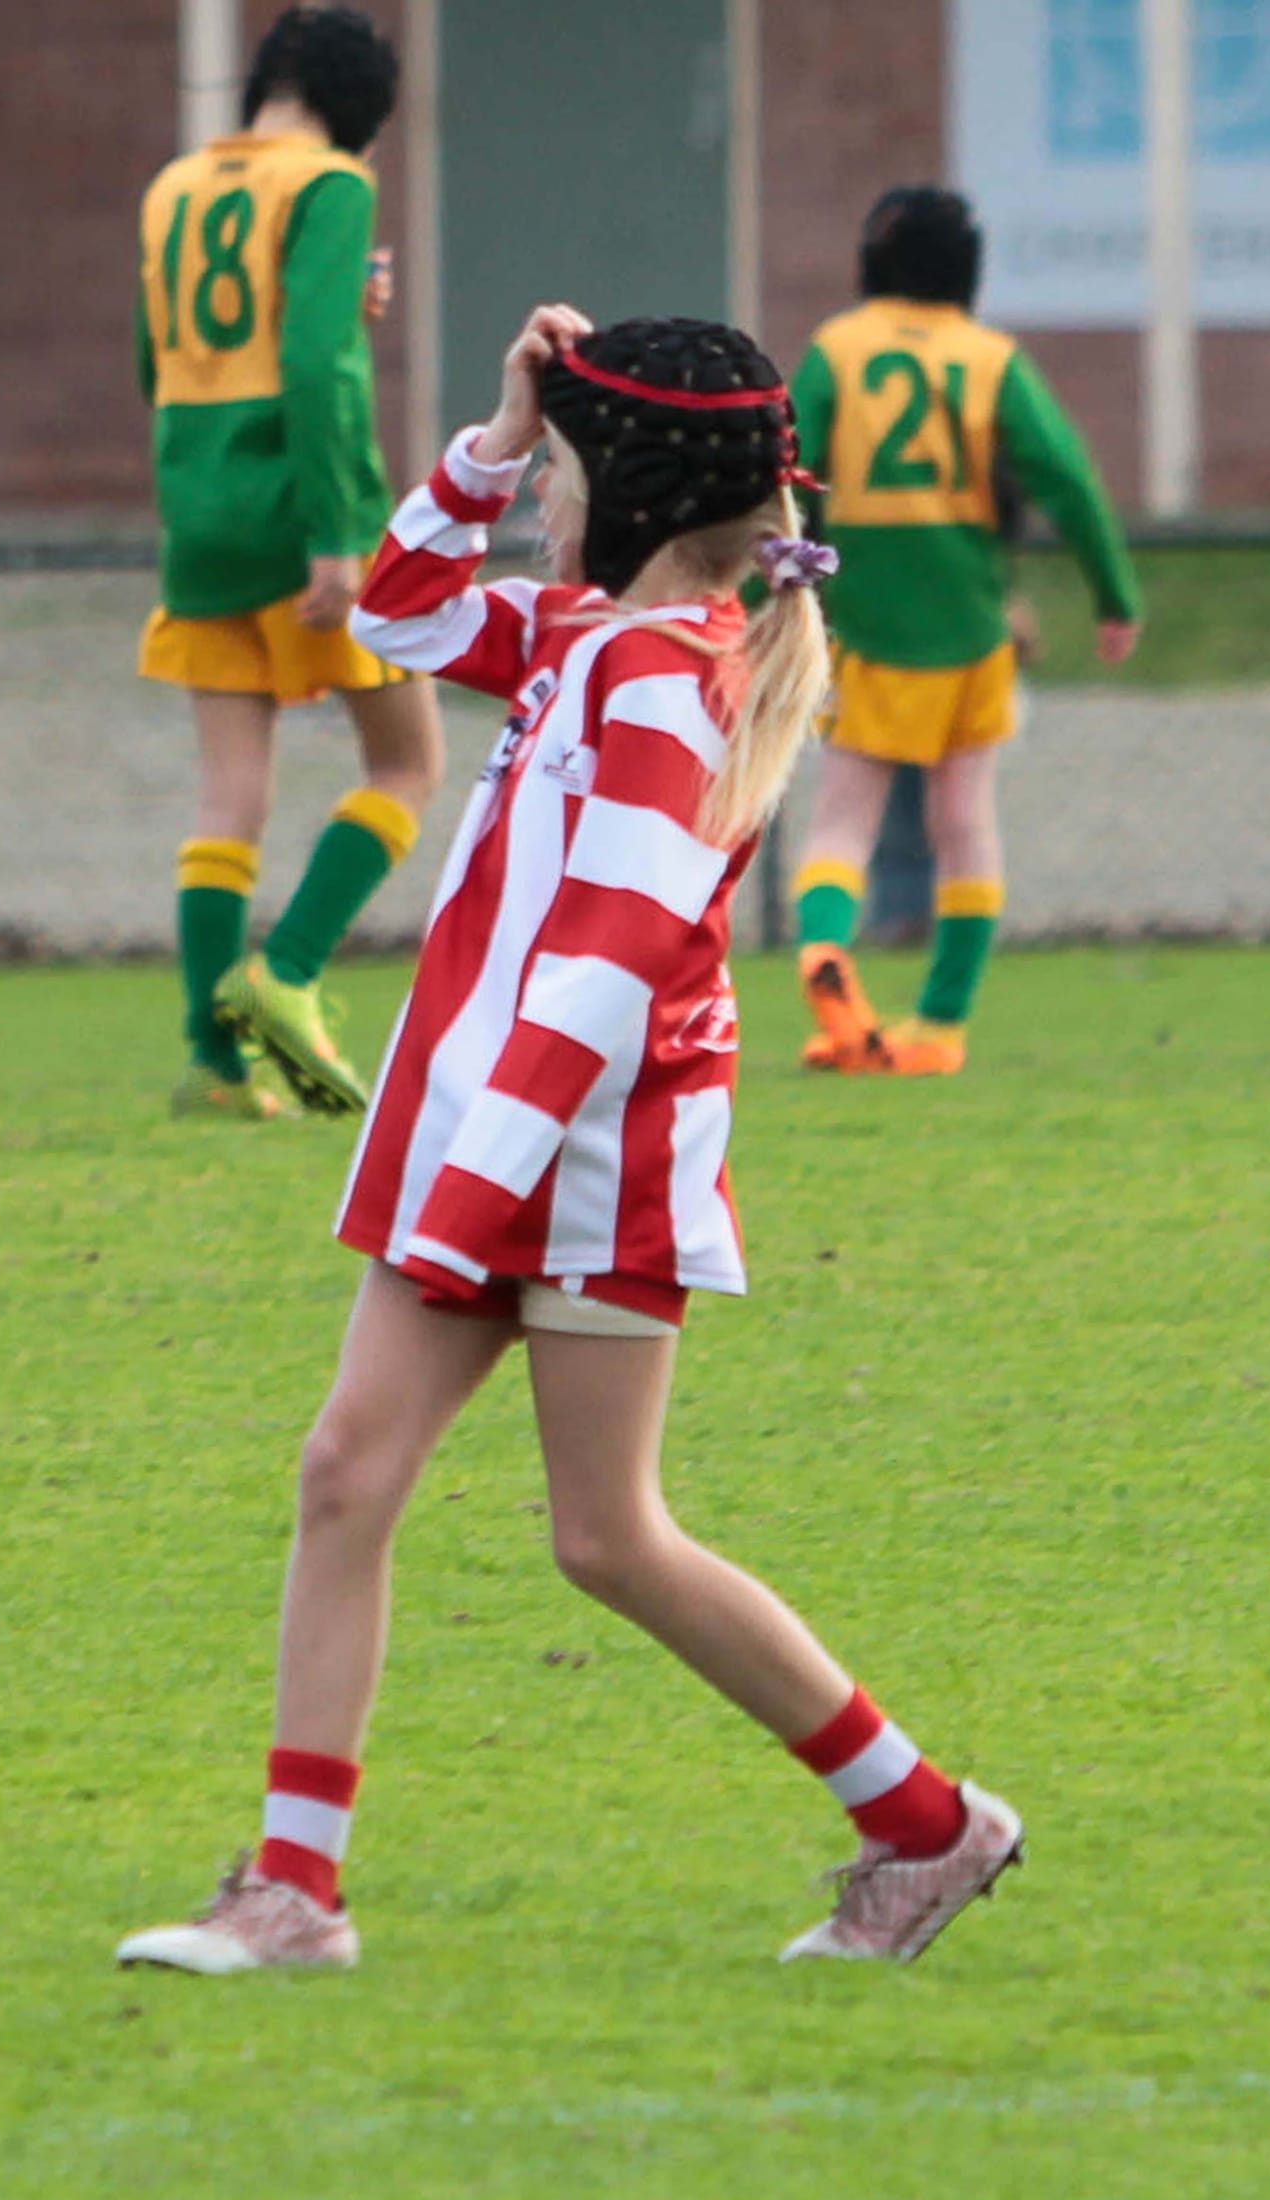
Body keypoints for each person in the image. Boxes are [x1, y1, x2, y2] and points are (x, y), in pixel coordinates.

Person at [115, 305, 1025, 1976]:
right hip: (493, 1136)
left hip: (587, 1166)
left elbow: (607, 963)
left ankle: (926, 1820)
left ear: (639, 494)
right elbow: (390, 611)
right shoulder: (578, 636)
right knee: (346, 1472)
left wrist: (470, 1191)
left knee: (608, 1534)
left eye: (562, 470)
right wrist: (499, 425)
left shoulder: (661, 681)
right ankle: (295, 1888)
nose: (540, 496)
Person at [136, 4, 442, 1124]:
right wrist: (331, 535)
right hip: (305, 508)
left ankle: (212, 1064)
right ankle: (290, 972)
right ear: (363, 112)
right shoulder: (329, 185)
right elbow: (317, 366)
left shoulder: (173, 186)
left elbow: (151, 354)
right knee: (407, 764)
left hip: (198, 506)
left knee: (230, 795)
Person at [790, 186, 1143, 1076]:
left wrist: (777, 586)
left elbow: (786, 468)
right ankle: (940, 1026)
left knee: (841, 818)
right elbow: (1064, 474)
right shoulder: (991, 358)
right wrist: (1114, 593)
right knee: (964, 821)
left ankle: (825, 959)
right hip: (971, 622)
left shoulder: (837, 348)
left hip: (865, 622)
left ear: (872, 263)